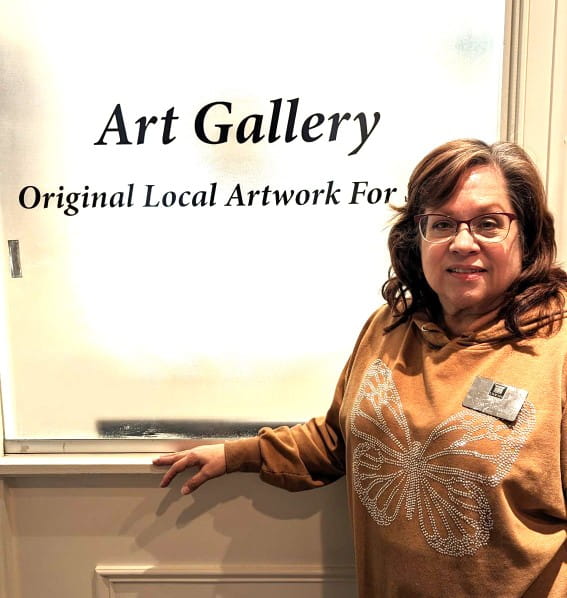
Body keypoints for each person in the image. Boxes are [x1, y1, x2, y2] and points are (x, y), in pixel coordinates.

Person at [153, 139, 567, 597]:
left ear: (526, 236)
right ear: (418, 237)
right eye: (442, 223)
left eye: (489, 224)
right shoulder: (390, 326)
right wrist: (236, 455)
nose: (463, 243)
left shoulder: (557, 347)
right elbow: (337, 438)